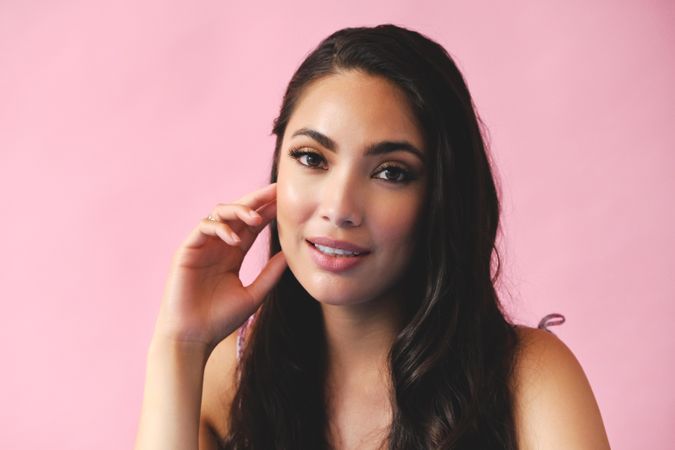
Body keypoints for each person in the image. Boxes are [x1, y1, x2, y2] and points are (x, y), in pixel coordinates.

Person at [134, 24, 610, 450]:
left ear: (441, 196)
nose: (339, 209)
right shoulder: (232, 379)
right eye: (312, 158)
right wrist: (179, 344)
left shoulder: (527, 379)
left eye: (390, 172)